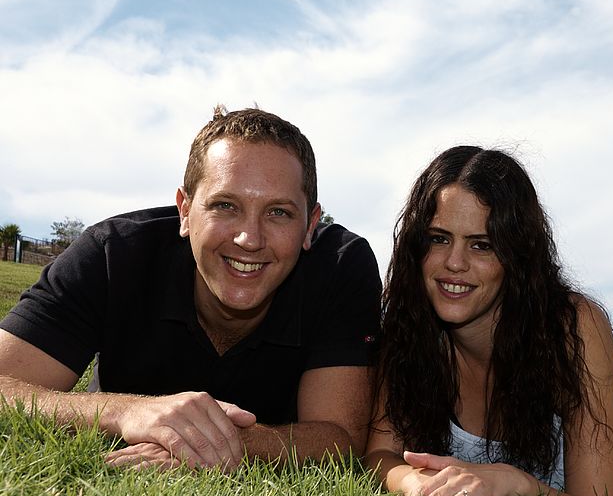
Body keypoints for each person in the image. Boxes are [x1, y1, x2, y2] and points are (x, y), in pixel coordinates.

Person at [0, 106, 381, 471]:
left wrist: (211, 441)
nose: (249, 238)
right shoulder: (114, 254)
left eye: (278, 212)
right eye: (225, 205)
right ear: (185, 210)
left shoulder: (340, 266)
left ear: (311, 225)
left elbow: (341, 438)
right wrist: (129, 412)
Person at [366, 145, 613, 496]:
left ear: (517, 256)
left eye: (482, 245)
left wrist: (516, 484)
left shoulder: (573, 326)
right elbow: (380, 452)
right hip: (594, 413)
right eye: (439, 238)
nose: (454, 263)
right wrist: (422, 485)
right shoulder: (410, 322)